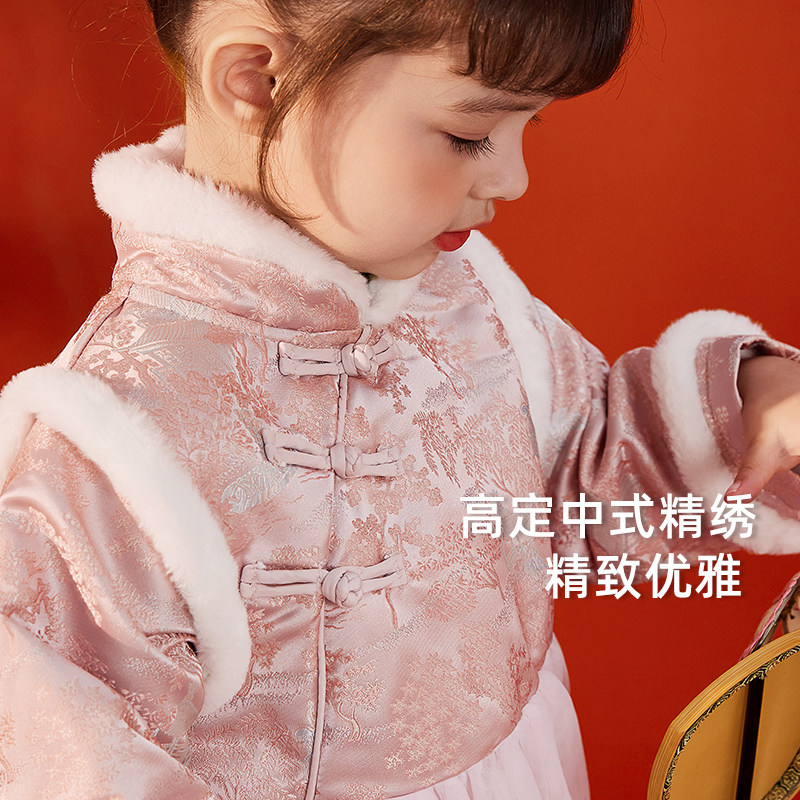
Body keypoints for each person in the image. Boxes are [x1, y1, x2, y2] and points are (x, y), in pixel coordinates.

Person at [1, 0, 799, 798]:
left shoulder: (472, 298)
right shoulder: (116, 432)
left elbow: (589, 466)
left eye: (529, 124)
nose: (514, 179)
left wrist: (751, 409)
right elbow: (66, 755)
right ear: (257, 78)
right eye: (468, 134)